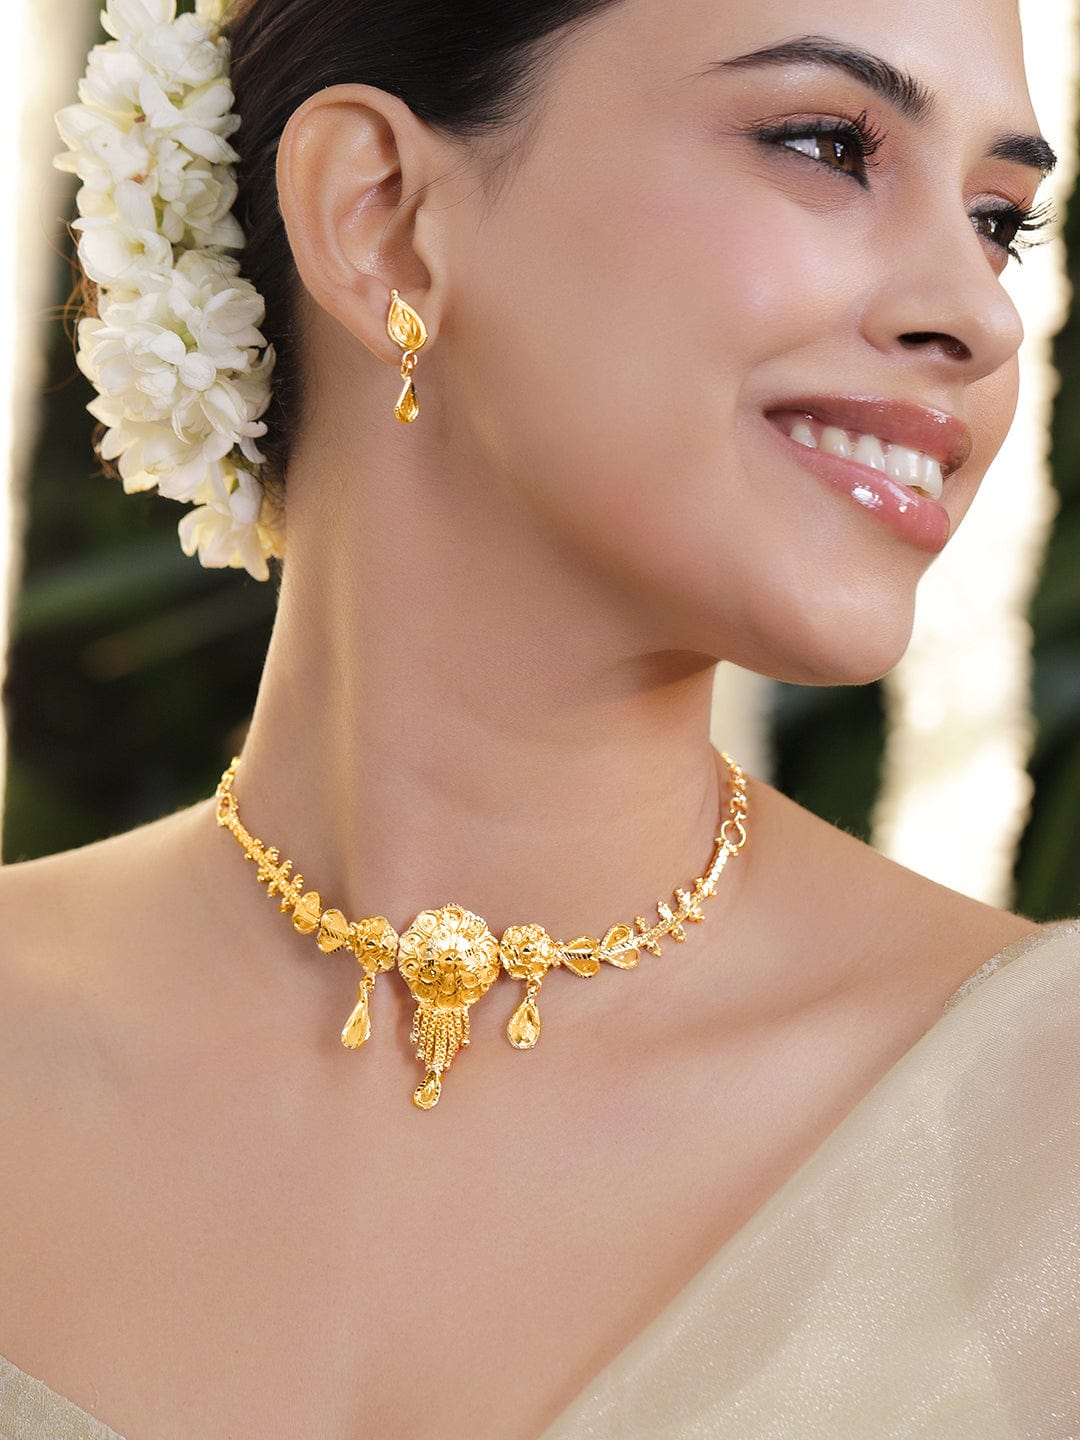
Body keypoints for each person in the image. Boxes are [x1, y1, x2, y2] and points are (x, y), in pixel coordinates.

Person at [0, 0, 1077, 1435]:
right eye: (827, 143)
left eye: (1001, 222)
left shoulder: (1045, 1123)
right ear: (382, 217)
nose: (982, 315)